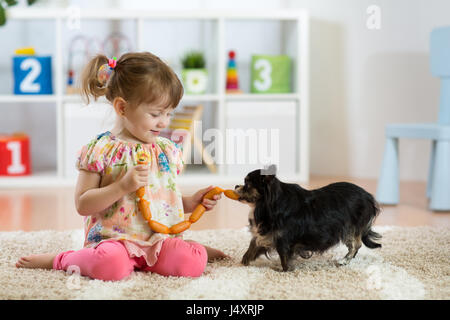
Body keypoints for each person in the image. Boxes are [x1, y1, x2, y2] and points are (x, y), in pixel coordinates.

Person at [16, 52, 228, 281]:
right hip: (113, 243)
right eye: (156, 113)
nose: (164, 122)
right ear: (122, 108)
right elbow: (82, 204)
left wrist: (191, 202)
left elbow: (164, 201)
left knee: (191, 264)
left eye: (169, 113)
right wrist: (122, 186)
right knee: (110, 267)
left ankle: (191, 250)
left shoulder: (165, 150)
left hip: (156, 241)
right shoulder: (100, 150)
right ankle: (62, 259)